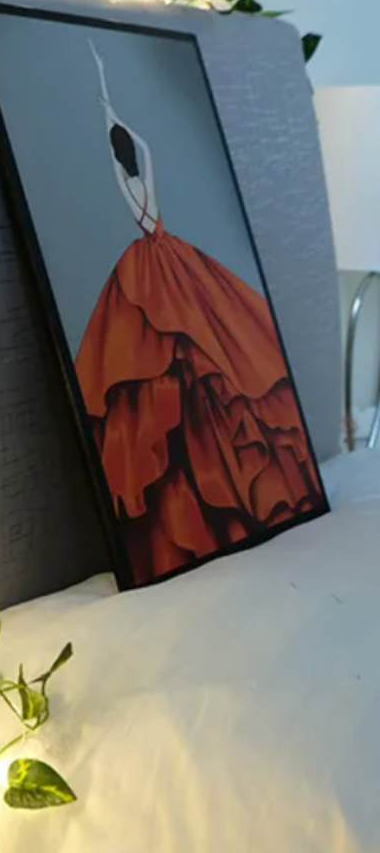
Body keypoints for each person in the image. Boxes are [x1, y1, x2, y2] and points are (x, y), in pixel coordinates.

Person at [75, 42, 323, 584]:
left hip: (152, 259)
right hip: (167, 256)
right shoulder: (143, 182)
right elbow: (143, 149)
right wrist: (117, 115)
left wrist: (106, 107)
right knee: (197, 355)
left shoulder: (127, 185)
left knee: (188, 355)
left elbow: (122, 151)